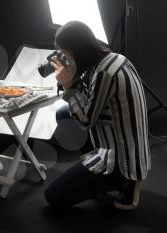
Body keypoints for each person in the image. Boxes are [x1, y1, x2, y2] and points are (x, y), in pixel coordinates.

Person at [44, 21, 151, 210]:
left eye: (64, 52)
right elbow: (89, 99)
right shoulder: (112, 58)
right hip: (121, 140)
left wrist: (68, 85)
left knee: (53, 196)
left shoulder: (103, 74)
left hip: (121, 157)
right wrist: (73, 76)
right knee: (63, 113)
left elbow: (86, 120)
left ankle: (123, 180)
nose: (62, 57)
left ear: (75, 51)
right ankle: (94, 172)